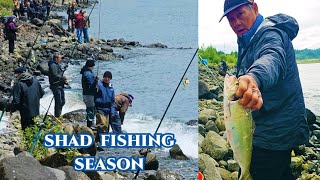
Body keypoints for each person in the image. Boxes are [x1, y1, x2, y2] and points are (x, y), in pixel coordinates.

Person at [219, 0, 309, 179]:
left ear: (255, 8)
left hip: (274, 132)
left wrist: (253, 78)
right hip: (276, 125)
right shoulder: (247, 40)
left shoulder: (271, 34)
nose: (235, 22)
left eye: (240, 14)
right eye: (230, 18)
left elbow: (271, 57)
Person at [48, 52, 67, 119]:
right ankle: (57, 116)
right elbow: (55, 75)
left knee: (62, 101)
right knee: (58, 101)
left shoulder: (56, 64)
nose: (61, 59)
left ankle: (58, 114)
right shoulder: (53, 65)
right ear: (56, 58)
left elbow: (59, 74)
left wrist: (64, 80)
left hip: (59, 85)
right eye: (60, 58)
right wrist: (62, 78)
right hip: (55, 85)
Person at [80, 60, 98, 128]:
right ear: (91, 66)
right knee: (91, 109)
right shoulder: (88, 74)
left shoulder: (85, 72)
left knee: (91, 108)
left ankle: (90, 123)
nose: (93, 67)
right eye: (93, 66)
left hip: (86, 94)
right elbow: (91, 86)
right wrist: (96, 81)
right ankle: (90, 125)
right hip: (89, 95)